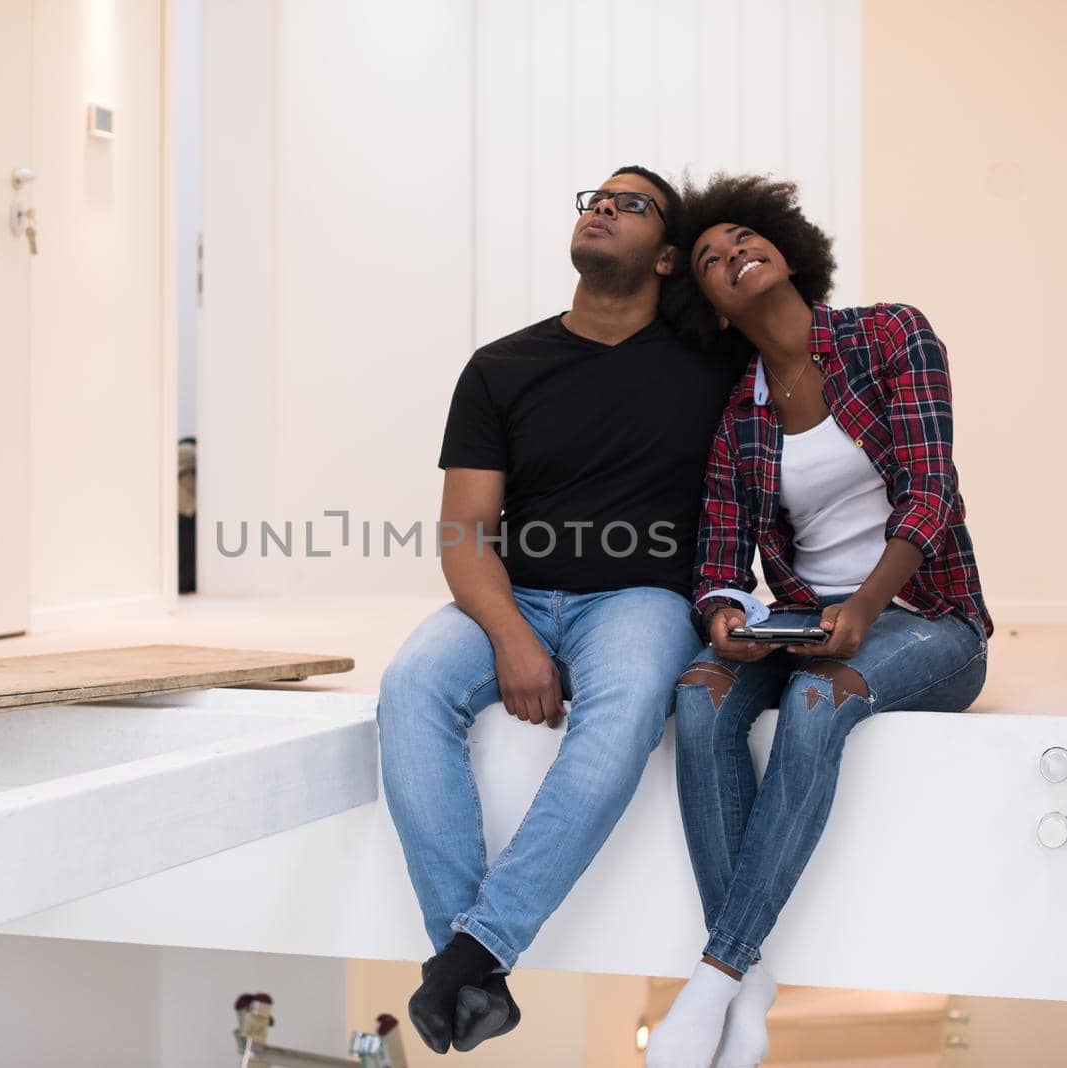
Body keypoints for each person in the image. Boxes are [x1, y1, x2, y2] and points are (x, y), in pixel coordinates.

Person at [377, 166, 743, 1054]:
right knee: (409, 687)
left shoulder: (715, 364)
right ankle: (474, 960)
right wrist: (511, 637)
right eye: (595, 198)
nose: (603, 207)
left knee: (622, 713)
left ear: (666, 259)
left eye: (631, 202)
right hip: (518, 592)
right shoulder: (502, 366)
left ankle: (470, 956)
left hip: (642, 600)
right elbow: (465, 532)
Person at [646, 174, 994, 1068]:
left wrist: (864, 608)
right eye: (714, 261)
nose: (733, 256)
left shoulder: (889, 335)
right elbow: (719, 555)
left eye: (743, 239)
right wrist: (725, 615)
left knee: (815, 701)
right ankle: (750, 980)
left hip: (927, 619)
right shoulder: (740, 414)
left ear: (788, 249)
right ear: (713, 308)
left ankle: (719, 974)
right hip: (803, 616)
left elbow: (930, 492)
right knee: (698, 697)